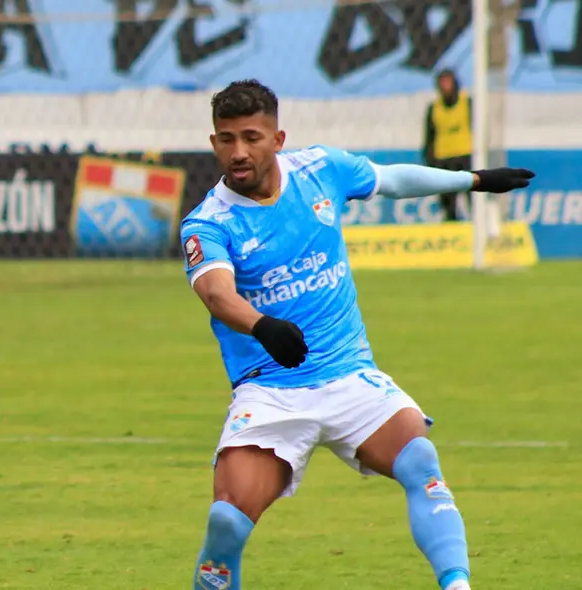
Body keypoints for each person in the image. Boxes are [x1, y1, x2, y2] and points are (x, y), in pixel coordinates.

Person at [181, 79, 532, 590]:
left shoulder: (320, 170)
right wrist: (262, 326)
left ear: (278, 139)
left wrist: (473, 181)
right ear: (214, 143)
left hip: (350, 377)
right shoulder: (208, 222)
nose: (239, 152)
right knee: (228, 520)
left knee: (420, 461)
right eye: (227, 138)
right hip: (272, 392)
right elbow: (216, 293)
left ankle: (458, 586)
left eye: (251, 137)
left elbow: (391, 179)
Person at [422, 68, 473, 222]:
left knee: (474, 200)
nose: (445, 86)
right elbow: (429, 136)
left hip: (466, 156)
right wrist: (430, 160)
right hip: (443, 159)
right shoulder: (434, 108)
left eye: (448, 82)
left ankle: (479, 234)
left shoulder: (467, 103)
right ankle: (452, 233)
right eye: (442, 82)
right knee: (448, 205)